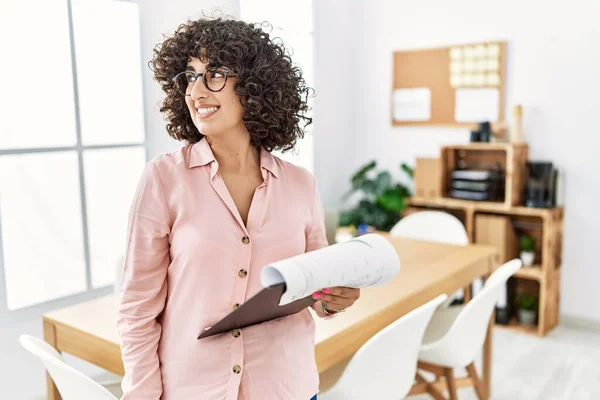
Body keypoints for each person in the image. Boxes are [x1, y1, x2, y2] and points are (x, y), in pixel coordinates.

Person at [116, 16, 360, 400]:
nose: (196, 91)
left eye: (214, 73)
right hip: (194, 389)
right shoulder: (164, 179)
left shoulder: (300, 184)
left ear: (254, 85)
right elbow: (137, 311)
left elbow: (315, 287)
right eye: (189, 76)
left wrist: (334, 299)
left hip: (285, 387)